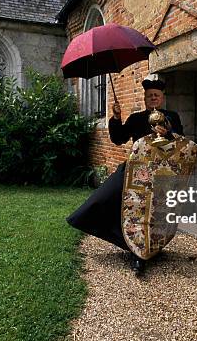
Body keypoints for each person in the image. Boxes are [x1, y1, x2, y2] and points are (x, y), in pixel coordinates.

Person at [66, 74, 183, 275]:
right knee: (109, 198)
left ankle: (144, 252)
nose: (153, 98)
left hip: (160, 173)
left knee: (151, 214)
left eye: (156, 95)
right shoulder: (137, 118)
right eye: (149, 96)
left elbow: (181, 144)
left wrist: (167, 134)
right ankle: (132, 246)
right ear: (145, 99)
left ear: (162, 98)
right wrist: (116, 118)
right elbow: (118, 138)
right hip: (135, 170)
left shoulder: (171, 117)